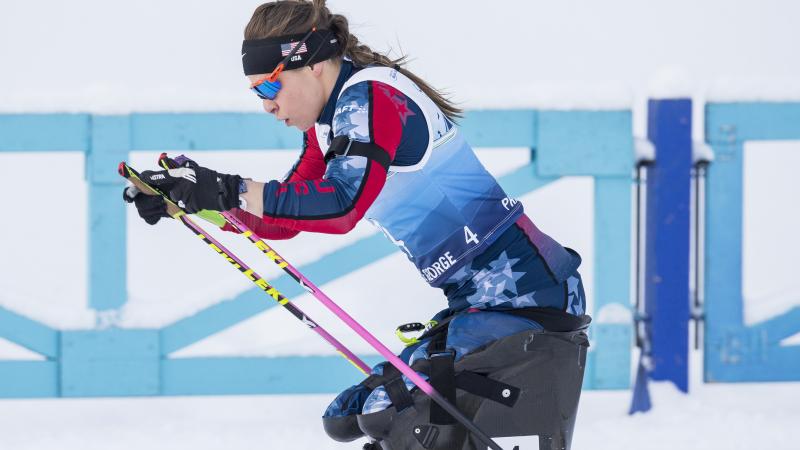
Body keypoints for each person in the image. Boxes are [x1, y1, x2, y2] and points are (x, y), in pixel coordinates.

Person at [124, 1, 591, 448]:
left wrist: (227, 188)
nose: (266, 105)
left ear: (313, 65)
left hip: (527, 296)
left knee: (390, 413)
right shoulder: (329, 124)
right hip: (477, 302)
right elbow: (282, 222)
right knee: (348, 415)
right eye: (256, 94)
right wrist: (191, 203)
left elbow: (343, 206)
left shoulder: (370, 97)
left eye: (270, 86)